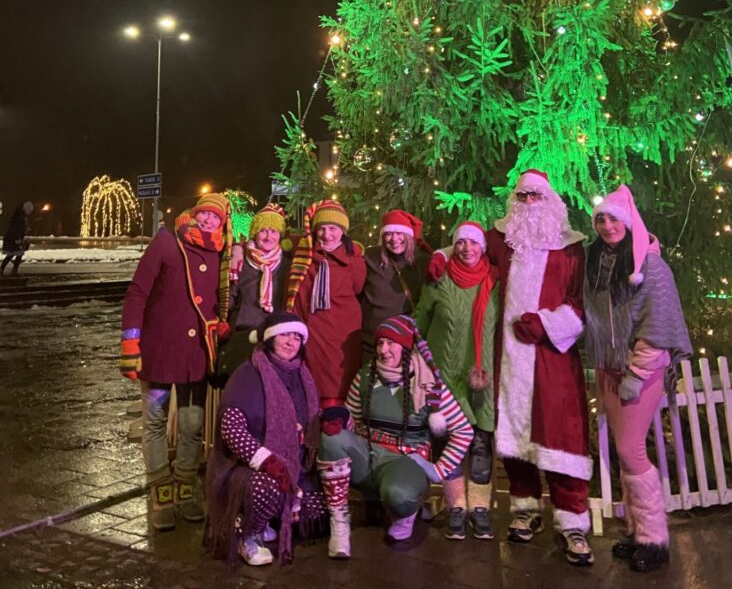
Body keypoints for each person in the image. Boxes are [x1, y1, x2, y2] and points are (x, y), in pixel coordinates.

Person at [428, 169, 593, 565]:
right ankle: (525, 508)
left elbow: (580, 303)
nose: (529, 204)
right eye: (523, 197)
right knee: (514, 435)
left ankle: (572, 521)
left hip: (553, 358)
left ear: (550, 200)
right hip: (508, 358)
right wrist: (440, 255)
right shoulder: (502, 239)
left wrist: (549, 323)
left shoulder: (571, 247)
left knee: (561, 436)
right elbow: (467, 246)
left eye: (536, 196)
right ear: (514, 201)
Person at [584, 185, 692, 574]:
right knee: (624, 450)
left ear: (628, 223)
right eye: (600, 219)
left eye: (613, 219)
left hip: (640, 371)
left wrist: (637, 372)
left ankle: (654, 539)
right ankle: (636, 530)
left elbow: (657, 323)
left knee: (632, 450)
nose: (607, 226)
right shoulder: (598, 261)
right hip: (609, 367)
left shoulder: (651, 264)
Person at [318, 314, 473, 558]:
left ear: (405, 347)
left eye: (391, 343)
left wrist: (439, 470)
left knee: (399, 495)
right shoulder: (366, 375)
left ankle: (406, 513)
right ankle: (339, 520)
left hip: (404, 460)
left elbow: (463, 431)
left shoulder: (428, 384)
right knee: (331, 439)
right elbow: (352, 419)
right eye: (380, 343)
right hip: (368, 454)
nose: (383, 350)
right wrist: (339, 420)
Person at [120, 191, 230, 530]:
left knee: (191, 425)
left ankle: (185, 489)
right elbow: (137, 293)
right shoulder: (168, 242)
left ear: (223, 223)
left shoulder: (221, 252)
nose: (208, 220)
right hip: (157, 353)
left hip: (195, 356)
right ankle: (160, 495)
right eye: (205, 213)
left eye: (216, 216)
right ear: (195, 213)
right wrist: (130, 342)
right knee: (155, 423)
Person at [204, 311, 325, 567]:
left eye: (297, 338)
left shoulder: (302, 374)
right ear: (270, 339)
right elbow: (232, 430)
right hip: (247, 466)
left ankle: (268, 519)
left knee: (316, 511)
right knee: (266, 489)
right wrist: (268, 461)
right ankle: (246, 534)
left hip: (292, 463)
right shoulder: (248, 375)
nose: (291, 343)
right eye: (285, 336)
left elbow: (310, 421)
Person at [413, 220, 499, 541]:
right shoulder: (438, 280)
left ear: (483, 247)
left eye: (474, 243)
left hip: (481, 379)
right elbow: (419, 323)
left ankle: (480, 507)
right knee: (448, 442)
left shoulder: (495, 282)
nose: (467, 249)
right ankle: (456, 507)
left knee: (480, 443)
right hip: (444, 379)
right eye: (460, 242)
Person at [285, 199, 366, 409]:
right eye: (321, 228)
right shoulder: (304, 254)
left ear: (343, 231)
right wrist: (240, 248)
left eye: (333, 228)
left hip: (342, 334)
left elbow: (359, 289)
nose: (327, 235)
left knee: (339, 388)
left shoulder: (354, 259)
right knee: (310, 386)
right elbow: (272, 241)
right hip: (312, 335)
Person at [217, 203, 292, 379]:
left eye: (274, 231)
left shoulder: (287, 264)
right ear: (255, 233)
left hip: (275, 336)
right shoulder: (240, 261)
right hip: (243, 334)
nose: (269, 237)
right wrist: (222, 320)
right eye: (263, 231)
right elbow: (230, 296)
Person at [361, 209, 431, 357]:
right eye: (388, 234)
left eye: (399, 233)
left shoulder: (423, 261)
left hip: (407, 341)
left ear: (409, 236)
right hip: (374, 342)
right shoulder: (370, 258)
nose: (394, 239)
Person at [1, 201, 33, 275]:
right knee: (14, 254)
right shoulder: (20, 217)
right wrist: (17, 238)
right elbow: (15, 229)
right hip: (14, 239)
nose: (30, 212)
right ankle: (12, 271)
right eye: (29, 210)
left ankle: (6, 270)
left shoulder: (19, 216)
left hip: (14, 238)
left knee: (14, 254)